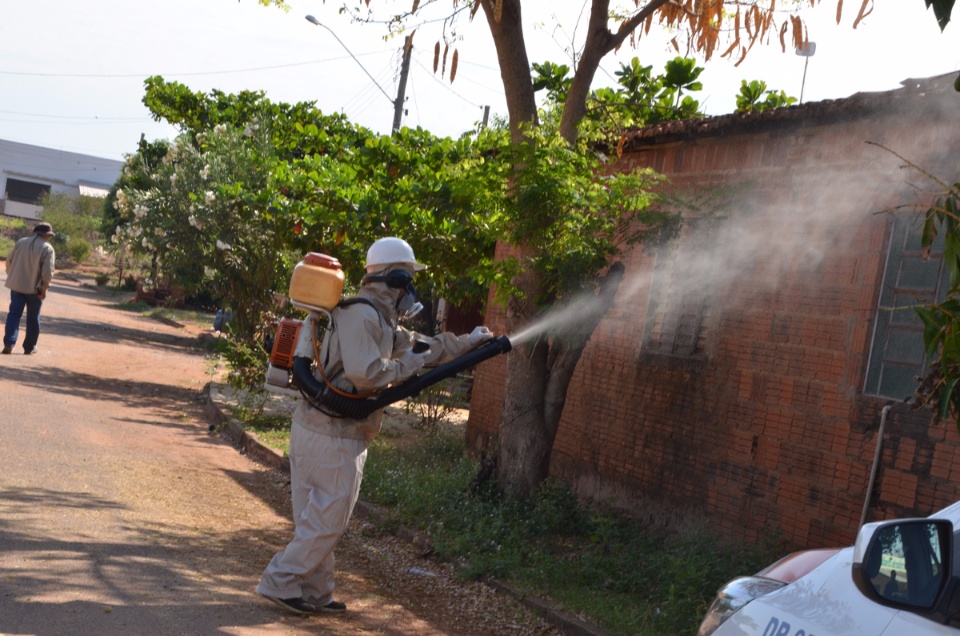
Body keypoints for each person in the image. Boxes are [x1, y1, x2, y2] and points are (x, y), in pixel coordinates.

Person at [257, 237, 493, 615]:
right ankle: (279, 579)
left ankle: (316, 592)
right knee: (327, 523)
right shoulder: (364, 316)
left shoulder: (368, 315)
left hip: (313, 427)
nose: (409, 289)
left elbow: (419, 346)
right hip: (336, 436)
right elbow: (367, 375)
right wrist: (407, 368)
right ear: (397, 278)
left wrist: (468, 343)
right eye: (408, 280)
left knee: (314, 520)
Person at [3, 222, 56, 355]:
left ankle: (9, 343)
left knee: (14, 315)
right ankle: (29, 347)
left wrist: (13, 276)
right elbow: (47, 272)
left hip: (17, 287)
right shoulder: (47, 248)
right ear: (48, 235)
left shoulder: (21, 242)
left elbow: (9, 261)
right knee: (33, 318)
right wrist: (44, 289)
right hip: (35, 290)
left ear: (36, 232)